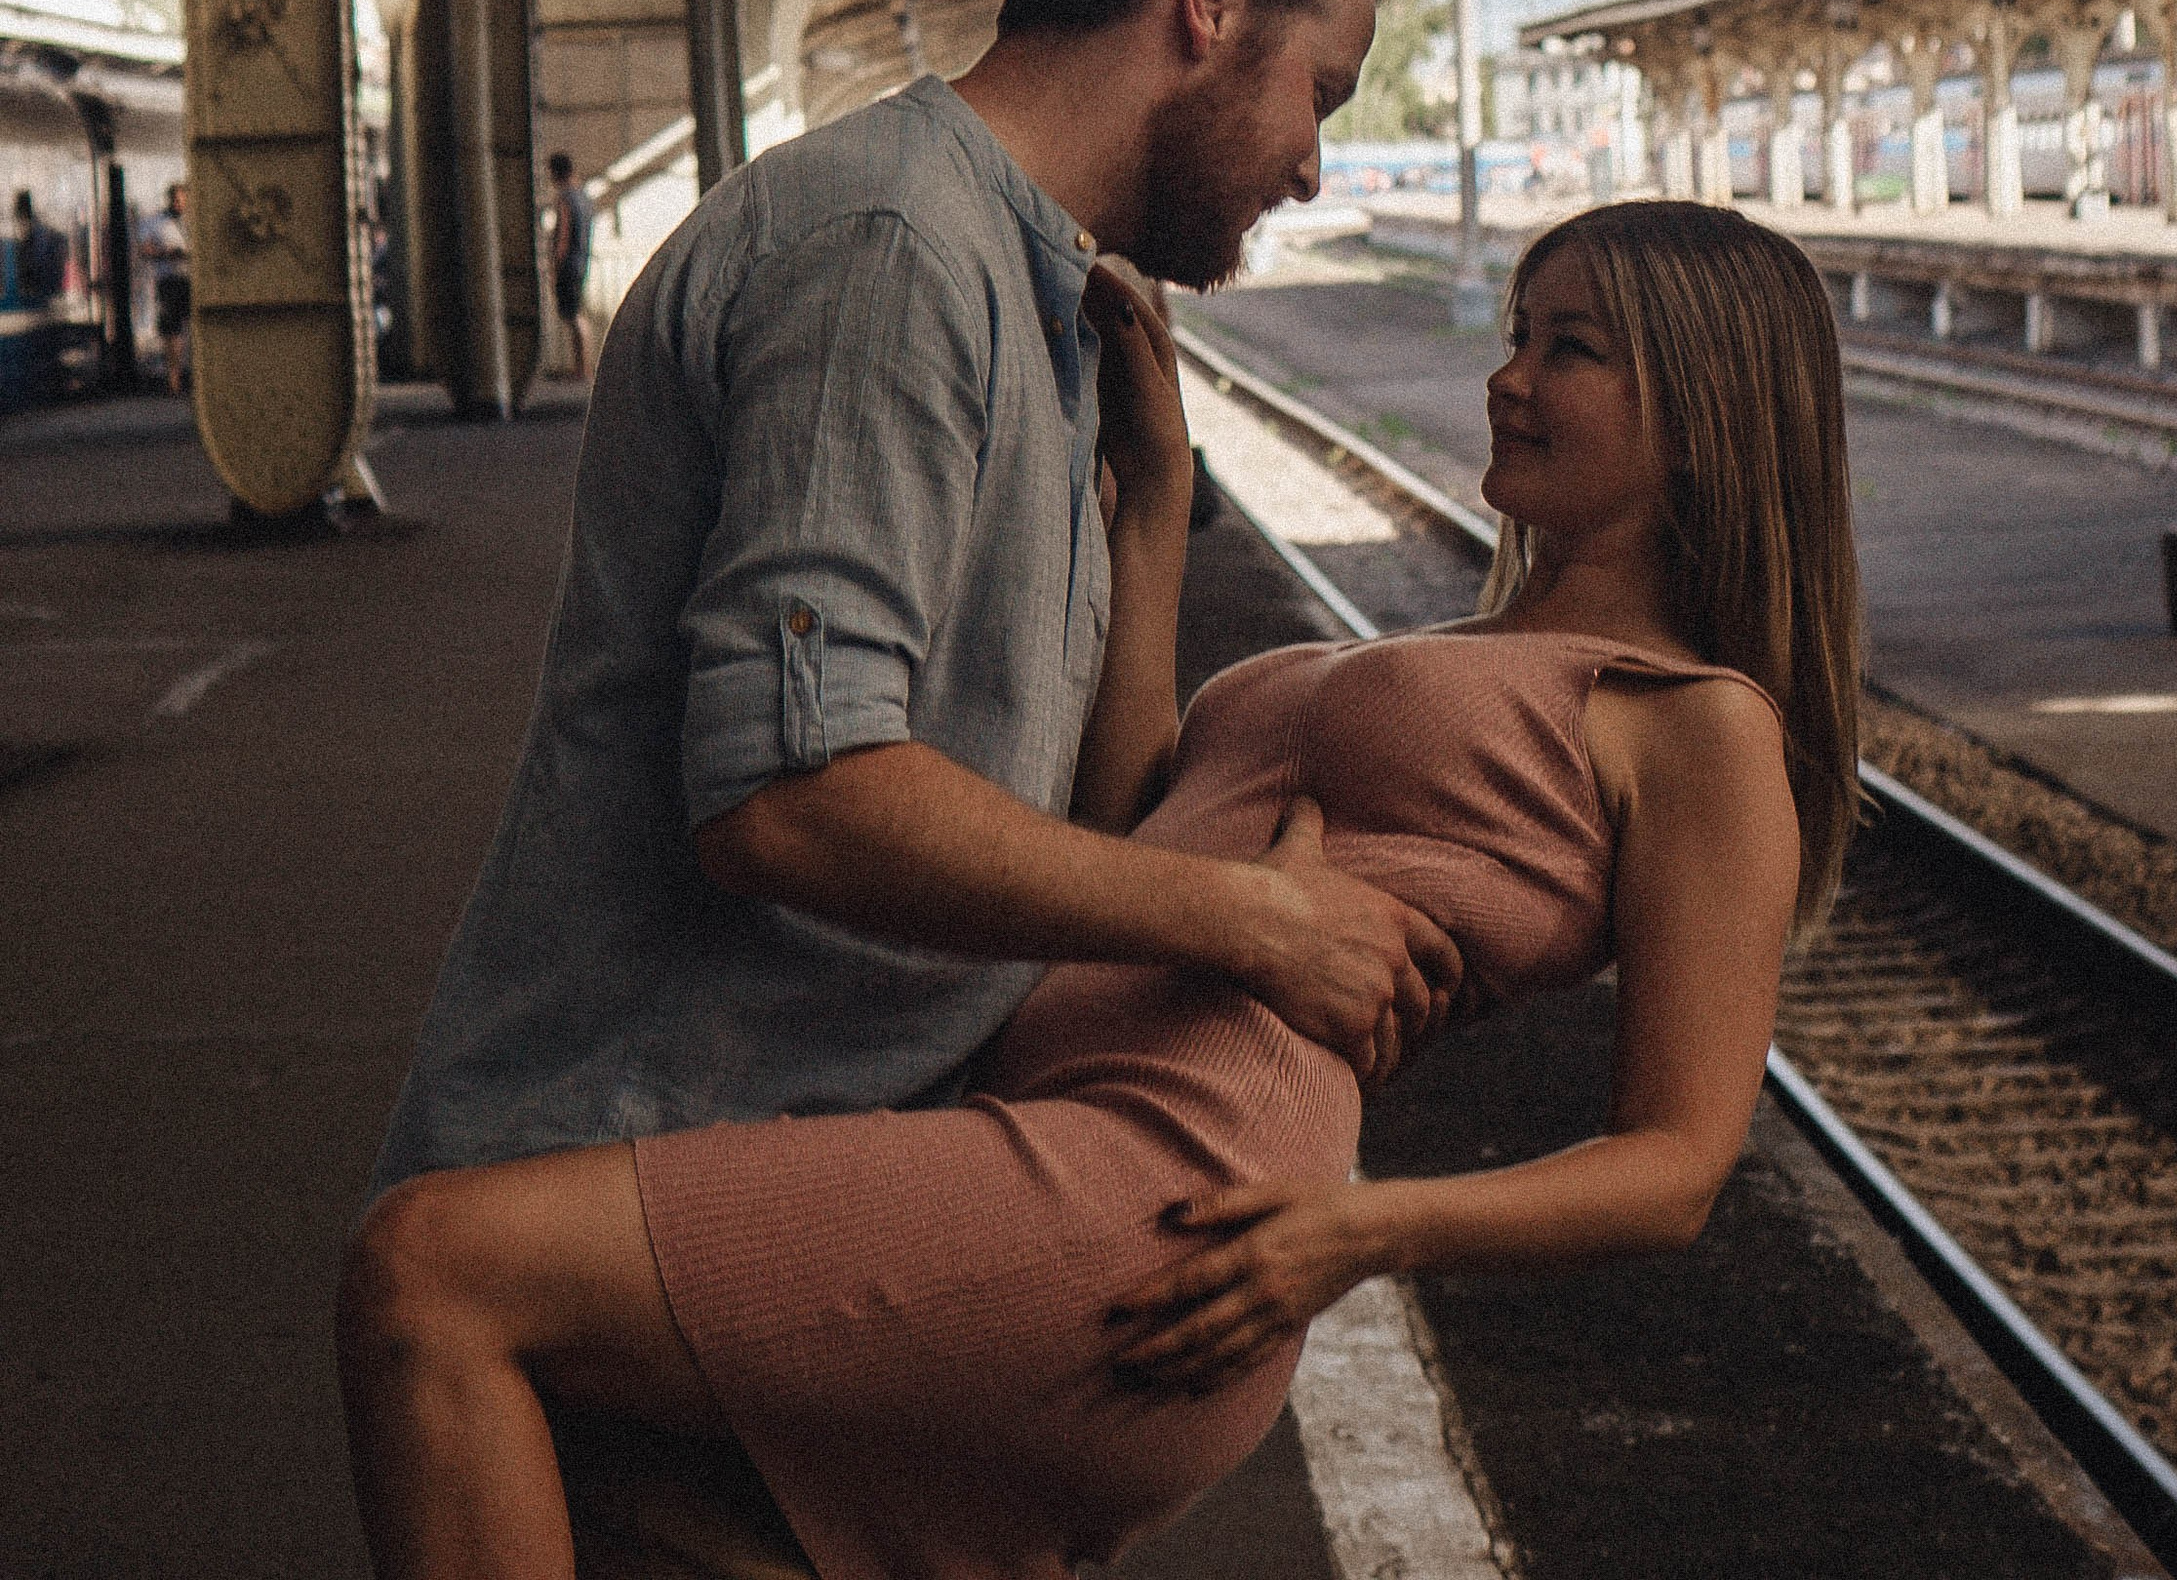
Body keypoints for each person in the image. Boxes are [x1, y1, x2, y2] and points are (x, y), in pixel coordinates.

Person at [336, 199, 1861, 1580]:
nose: (1509, 377)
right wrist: (1154, 503)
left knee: (436, 1274)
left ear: (1707, 408)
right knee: (607, 1474)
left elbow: (1676, 1164)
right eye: (1520, 336)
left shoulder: (1697, 723)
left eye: (1570, 350)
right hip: (1042, 1129)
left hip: (1167, 1180)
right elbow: (1135, 816)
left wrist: (1362, 1234)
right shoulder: (1473, 644)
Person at [546, 152, 594, 382]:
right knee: (577, 313)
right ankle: (583, 366)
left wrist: (554, 266)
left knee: (573, 315)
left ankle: (582, 368)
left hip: (569, 264)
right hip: (582, 260)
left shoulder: (565, 198)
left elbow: (562, 235)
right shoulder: (584, 197)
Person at [141, 178, 189, 395]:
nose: (178, 204)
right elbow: (145, 250)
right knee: (171, 332)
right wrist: (166, 253)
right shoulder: (155, 222)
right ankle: (174, 379)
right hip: (169, 280)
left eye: (182, 200)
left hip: (191, 278)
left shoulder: (194, 221)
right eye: (175, 200)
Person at [11, 186, 67, 311]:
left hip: (37, 284)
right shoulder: (30, 229)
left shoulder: (35, 230)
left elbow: (37, 256)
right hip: (33, 284)